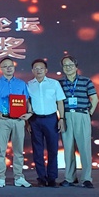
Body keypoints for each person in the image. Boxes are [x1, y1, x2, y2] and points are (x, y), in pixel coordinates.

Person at [0, 58, 33, 188]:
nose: (8, 68)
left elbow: (27, 101)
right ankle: (0, 178)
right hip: (2, 119)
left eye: (11, 66)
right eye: (5, 66)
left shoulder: (21, 84)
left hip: (19, 120)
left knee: (18, 150)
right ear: (1, 69)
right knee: (1, 150)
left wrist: (29, 113)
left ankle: (19, 177)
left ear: (14, 67)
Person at [59, 55, 99, 188]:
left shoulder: (86, 81)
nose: (68, 68)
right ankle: (70, 178)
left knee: (84, 148)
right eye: (65, 65)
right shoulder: (59, 83)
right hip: (66, 116)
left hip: (82, 114)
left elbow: (95, 99)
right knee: (68, 148)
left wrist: (89, 114)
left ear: (76, 67)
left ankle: (86, 178)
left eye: (70, 65)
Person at [27, 58, 66, 187]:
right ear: (32, 71)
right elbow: (27, 103)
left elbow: (60, 102)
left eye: (41, 68)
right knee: (37, 150)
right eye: (36, 68)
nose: (38, 70)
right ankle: (41, 177)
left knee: (53, 149)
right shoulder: (29, 85)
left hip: (51, 119)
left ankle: (52, 177)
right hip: (35, 119)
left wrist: (61, 118)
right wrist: (27, 122)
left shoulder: (54, 84)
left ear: (46, 70)